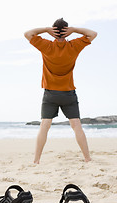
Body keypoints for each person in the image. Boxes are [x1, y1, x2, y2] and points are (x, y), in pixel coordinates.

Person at [24, 18, 97, 164]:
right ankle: (87, 159)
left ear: (53, 32)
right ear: (66, 31)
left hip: (50, 93)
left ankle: (36, 160)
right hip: (68, 93)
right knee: (76, 126)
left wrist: (45, 29)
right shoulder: (73, 46)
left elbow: (28, 34)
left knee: (44, 126)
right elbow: (93, 34)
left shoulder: (46, 46)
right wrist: (74, 30)